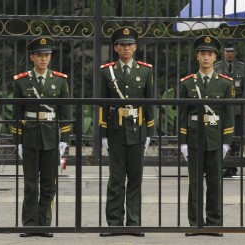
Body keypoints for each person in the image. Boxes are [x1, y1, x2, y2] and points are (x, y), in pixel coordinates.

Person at [12, 37, 71, 237]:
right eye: (40, 55)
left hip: (51, 136)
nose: (44, 59)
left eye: (47, 55)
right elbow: (16, 114)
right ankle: (29, 224)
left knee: (48, 183)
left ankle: (44, 224)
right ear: (32, 57)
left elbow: (66, 112)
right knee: (30, 184)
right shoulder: (21, 81)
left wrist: (64, 139)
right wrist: (18, 141)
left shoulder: (60, 80)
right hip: (29, 136)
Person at [99, 26, 154, 237]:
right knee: (116, 179)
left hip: (138, 129)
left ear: (135, 46)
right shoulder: (107, 71)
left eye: (130, 44)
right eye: (122, 44)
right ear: (115, 48)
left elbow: (150, 103)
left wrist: (150, 131)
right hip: (115, 130)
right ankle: (114, 222)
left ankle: (134, 222)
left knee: (135, 179)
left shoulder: (145, 70)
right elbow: (102, 105)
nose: (127, 48)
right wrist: (103, 134)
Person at [179, 35, 234, 236]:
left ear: (215, 58)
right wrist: (183, 142)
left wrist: (227, 142)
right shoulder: (186, 84)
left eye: (209, 54)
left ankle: (214, 223)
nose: (206, 58)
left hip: (215, 138)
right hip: (194, 137)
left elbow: (228, 117)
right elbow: (183, 116)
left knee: (214, 182)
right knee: (195, 183)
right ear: (197, 57)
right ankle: (195, 223)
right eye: (202, 54)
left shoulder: (225, 84)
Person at [214, 42, 245, 177]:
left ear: (235, 53)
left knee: (237, 137)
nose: (229, 54)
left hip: (238, 108)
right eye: (227, 51)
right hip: (222, 108)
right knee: (221, 136)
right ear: (224, 53)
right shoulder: (217, 67)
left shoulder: (242, 68)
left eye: (232, 51)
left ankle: (233, 165)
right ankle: (223, 164)